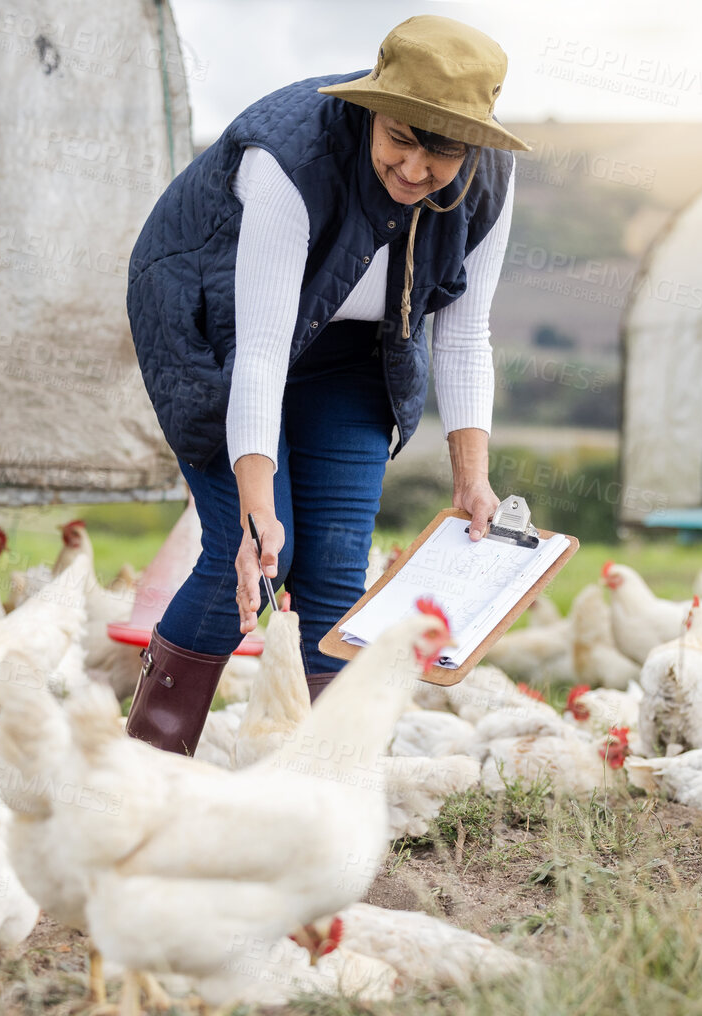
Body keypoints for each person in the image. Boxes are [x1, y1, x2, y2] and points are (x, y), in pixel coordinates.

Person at [122, 15, 528, 754]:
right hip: (213, 325)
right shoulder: (289, 159)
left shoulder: (490, 180)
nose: (413, 169)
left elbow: (466, 334)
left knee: (338, 564)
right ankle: (147, 763)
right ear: (373, 110)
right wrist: (255, 507)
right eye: (399, 139)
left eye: (439, 153)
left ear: (472, 146)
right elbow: (262, 347)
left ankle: (328, 783)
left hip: (354, 350)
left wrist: (473, 481)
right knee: (246, 555)